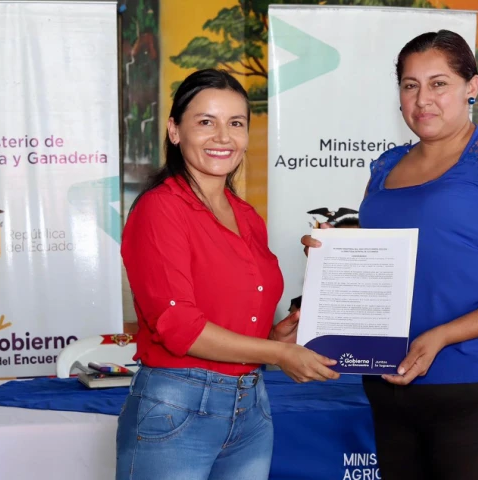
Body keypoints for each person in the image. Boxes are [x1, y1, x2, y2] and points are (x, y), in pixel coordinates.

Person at [302, 30, 478, 480]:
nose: (422, 99)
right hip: (389, 382)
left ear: (471, 87)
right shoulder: (385, 168)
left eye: (439, 83)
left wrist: (442, 336)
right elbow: (398, 261)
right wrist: (336, 254)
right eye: (410, 85)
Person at [117, 69, 339, 480]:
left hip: (251, 407)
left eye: (236, 123)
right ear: (174, 130)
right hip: (178, 406)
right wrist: (277, 354)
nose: (223, 137)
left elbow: (232, 316)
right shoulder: (159, 209)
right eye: (206, 122)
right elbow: (179, 327)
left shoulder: (248, 217)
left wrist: (276, 339)